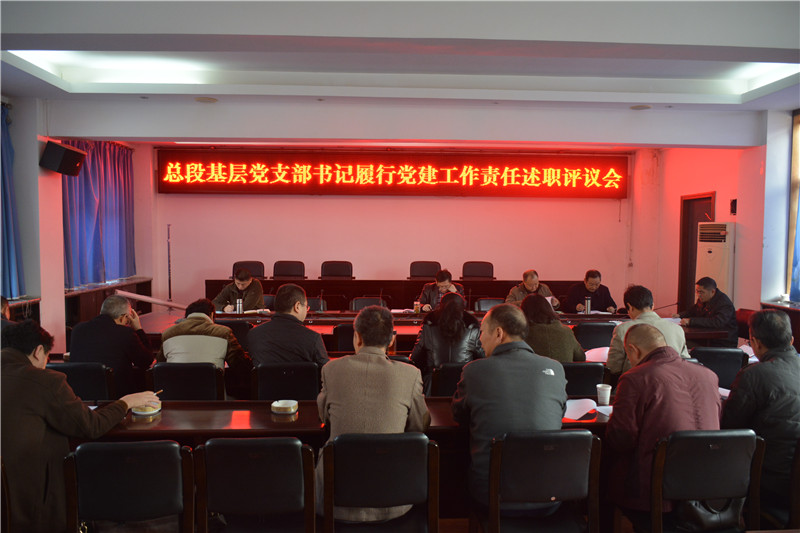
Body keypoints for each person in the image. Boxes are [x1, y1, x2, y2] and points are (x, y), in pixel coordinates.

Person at [1, 320, 160, 533]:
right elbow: (91, 426)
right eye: (47, 358)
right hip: (29, 506)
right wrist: (126, 402)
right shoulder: (43, 381)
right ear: (39, 351)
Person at [317, 305, 430, 522]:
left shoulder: (331, 369)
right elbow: (419, 426)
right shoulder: (411, 375)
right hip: (395, 501)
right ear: (391, 341)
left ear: (357, 337)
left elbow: (325, 418)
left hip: (333, 501)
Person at [452, 303, 567, 508]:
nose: (479, 339)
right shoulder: (555, 368)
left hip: (492, 496)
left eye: (482, 332)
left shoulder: (474, 371)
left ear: (498, 333)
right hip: (549, 495)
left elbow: (460, 416)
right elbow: (560, 413)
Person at [605, 324, 720, 521]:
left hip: (656, 492)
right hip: (709, 488)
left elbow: (621, 439)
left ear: (633, 350)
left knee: (603, 469)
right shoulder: (709, 375)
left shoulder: (635, 378)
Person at [721, 310, 800, 515]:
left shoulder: (754, 376)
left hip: (770, 483)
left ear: (755, 343)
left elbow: (729, 431)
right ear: (791, 340)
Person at [157, 298, 253, 398]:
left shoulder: (168, 334)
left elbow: (159, 366)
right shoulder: (223, 333)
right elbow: (241, 366)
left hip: (174, 398)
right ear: (211, 315)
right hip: (213, 400)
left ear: (187, 315)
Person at [69, 294, 154, 396]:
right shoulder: (125, 333)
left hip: (80, 394)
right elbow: (146, 361)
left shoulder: (77, 329)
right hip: (116, 396)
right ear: (123, 317)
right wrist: (138, 329)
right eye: (127, 320)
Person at [607, 285, 689, 376]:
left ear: (630, 307)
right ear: (652, 305)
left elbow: (613, 368)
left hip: (635, 383)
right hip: (672, 381)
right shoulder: (677, 329)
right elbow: (686, 362)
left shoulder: (622, 329)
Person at [410, 292, 484, 394]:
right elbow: (482, 357)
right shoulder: (472, 325)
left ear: (440, 305)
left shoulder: (429, 323)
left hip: (433, 386)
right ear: (463, 307)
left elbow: (415, 358)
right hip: (465, 387)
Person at [248, 283, 329, 368]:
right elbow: (327, 371)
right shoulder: (313, 338)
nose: (306, 311)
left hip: (265, 377)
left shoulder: (253, 335)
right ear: (297, 306)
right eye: (306, 307)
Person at [520, 293, 584, 363]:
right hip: (563, 370)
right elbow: (581, 357)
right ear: (549, 309)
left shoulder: (522, 334)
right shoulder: (566, 331)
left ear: (523, 312)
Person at [676, 276, 738, 347]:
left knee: (682, 343)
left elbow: (717, 322)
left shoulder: (724, 303)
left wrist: (691, 321)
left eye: (701, 292)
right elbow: (693, 310)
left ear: (712, 292)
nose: (699, 295)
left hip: (721, 343)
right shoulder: (703, 299)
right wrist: (680, 315)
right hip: (707, 338)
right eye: (697, 291)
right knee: (679, 339)